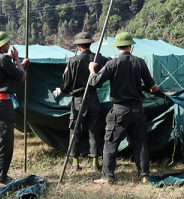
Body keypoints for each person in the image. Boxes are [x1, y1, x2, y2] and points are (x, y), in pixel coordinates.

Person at [88, 32, 159, 184]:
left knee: (111, 143)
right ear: (131, 46)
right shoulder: (140, 62)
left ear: (117, 47)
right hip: (137, 110)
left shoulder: (112, 64)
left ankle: (108, 177)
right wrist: (155, 88)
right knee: (140, 143)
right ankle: (145, 174)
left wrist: (92, 70)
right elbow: (152, 87)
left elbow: (94, 82)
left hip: (119, 110)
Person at [55, 32, 107, 171]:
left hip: (79, 99)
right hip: (94, 97)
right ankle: (95, 163)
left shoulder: (73, 61)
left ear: (78, 45)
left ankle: (75, 162)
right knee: (94, 129)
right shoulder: (99, 59)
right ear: (90, 44)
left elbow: (66, 84)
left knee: (75, 129)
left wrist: (61, 90)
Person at [0, 31, 29, 185]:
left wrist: (16, 64)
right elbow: (22, 77)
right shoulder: (4, 58)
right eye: (8, 42)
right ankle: (1, 179)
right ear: (3, 44)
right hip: (3, 104)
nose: (9, 44)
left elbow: (4, 75)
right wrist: (17, 59)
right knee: (5, 143)